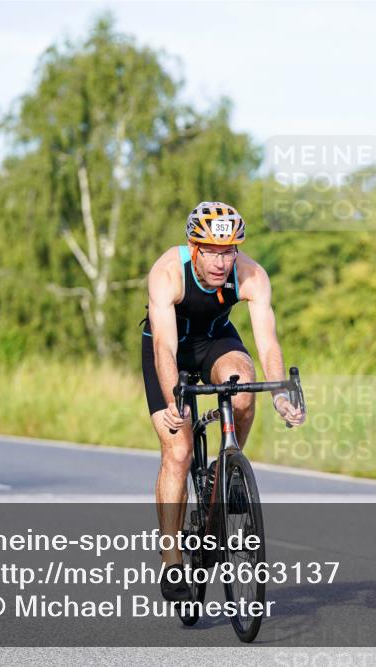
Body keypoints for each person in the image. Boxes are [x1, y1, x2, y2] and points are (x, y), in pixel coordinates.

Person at [141, 201, 305, 601]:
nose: (221, 262)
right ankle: (172, 557)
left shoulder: (251, 276)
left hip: (216, 340)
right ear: (194, 249)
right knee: (177, 452)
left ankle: (225, 470)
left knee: (243, 387)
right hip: (169, 350)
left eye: (229, 251)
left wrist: (281, 393)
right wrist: (173, 401)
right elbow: (164, 347)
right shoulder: (167, 273)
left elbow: (267, 342)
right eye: (212, 252)